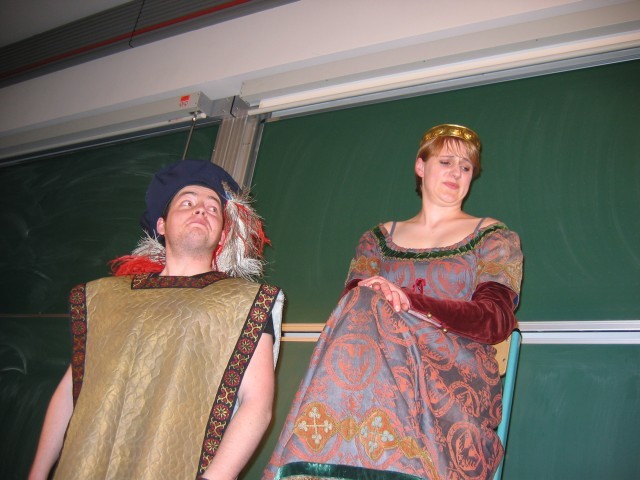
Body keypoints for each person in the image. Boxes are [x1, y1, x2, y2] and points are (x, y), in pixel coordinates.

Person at [264, 124, 523, 480]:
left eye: (466, 167)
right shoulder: (376, 239)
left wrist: (408, 300)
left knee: (369, 302)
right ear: (420, 166)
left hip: (452, 374)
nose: (456, 173)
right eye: (446, 162)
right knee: (362, 302)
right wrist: (380, 295)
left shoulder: (494, 236)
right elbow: (352, 309)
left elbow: (495, 319)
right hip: (378, 366)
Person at [28, 159, 284, 480]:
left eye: (212, 208)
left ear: (222, 234)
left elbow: (257, 404)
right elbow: (71, 390)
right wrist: (37, 474)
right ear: (161, 225)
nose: (200, 210)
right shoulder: (107, 298)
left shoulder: (245, 303)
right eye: (187, 202)